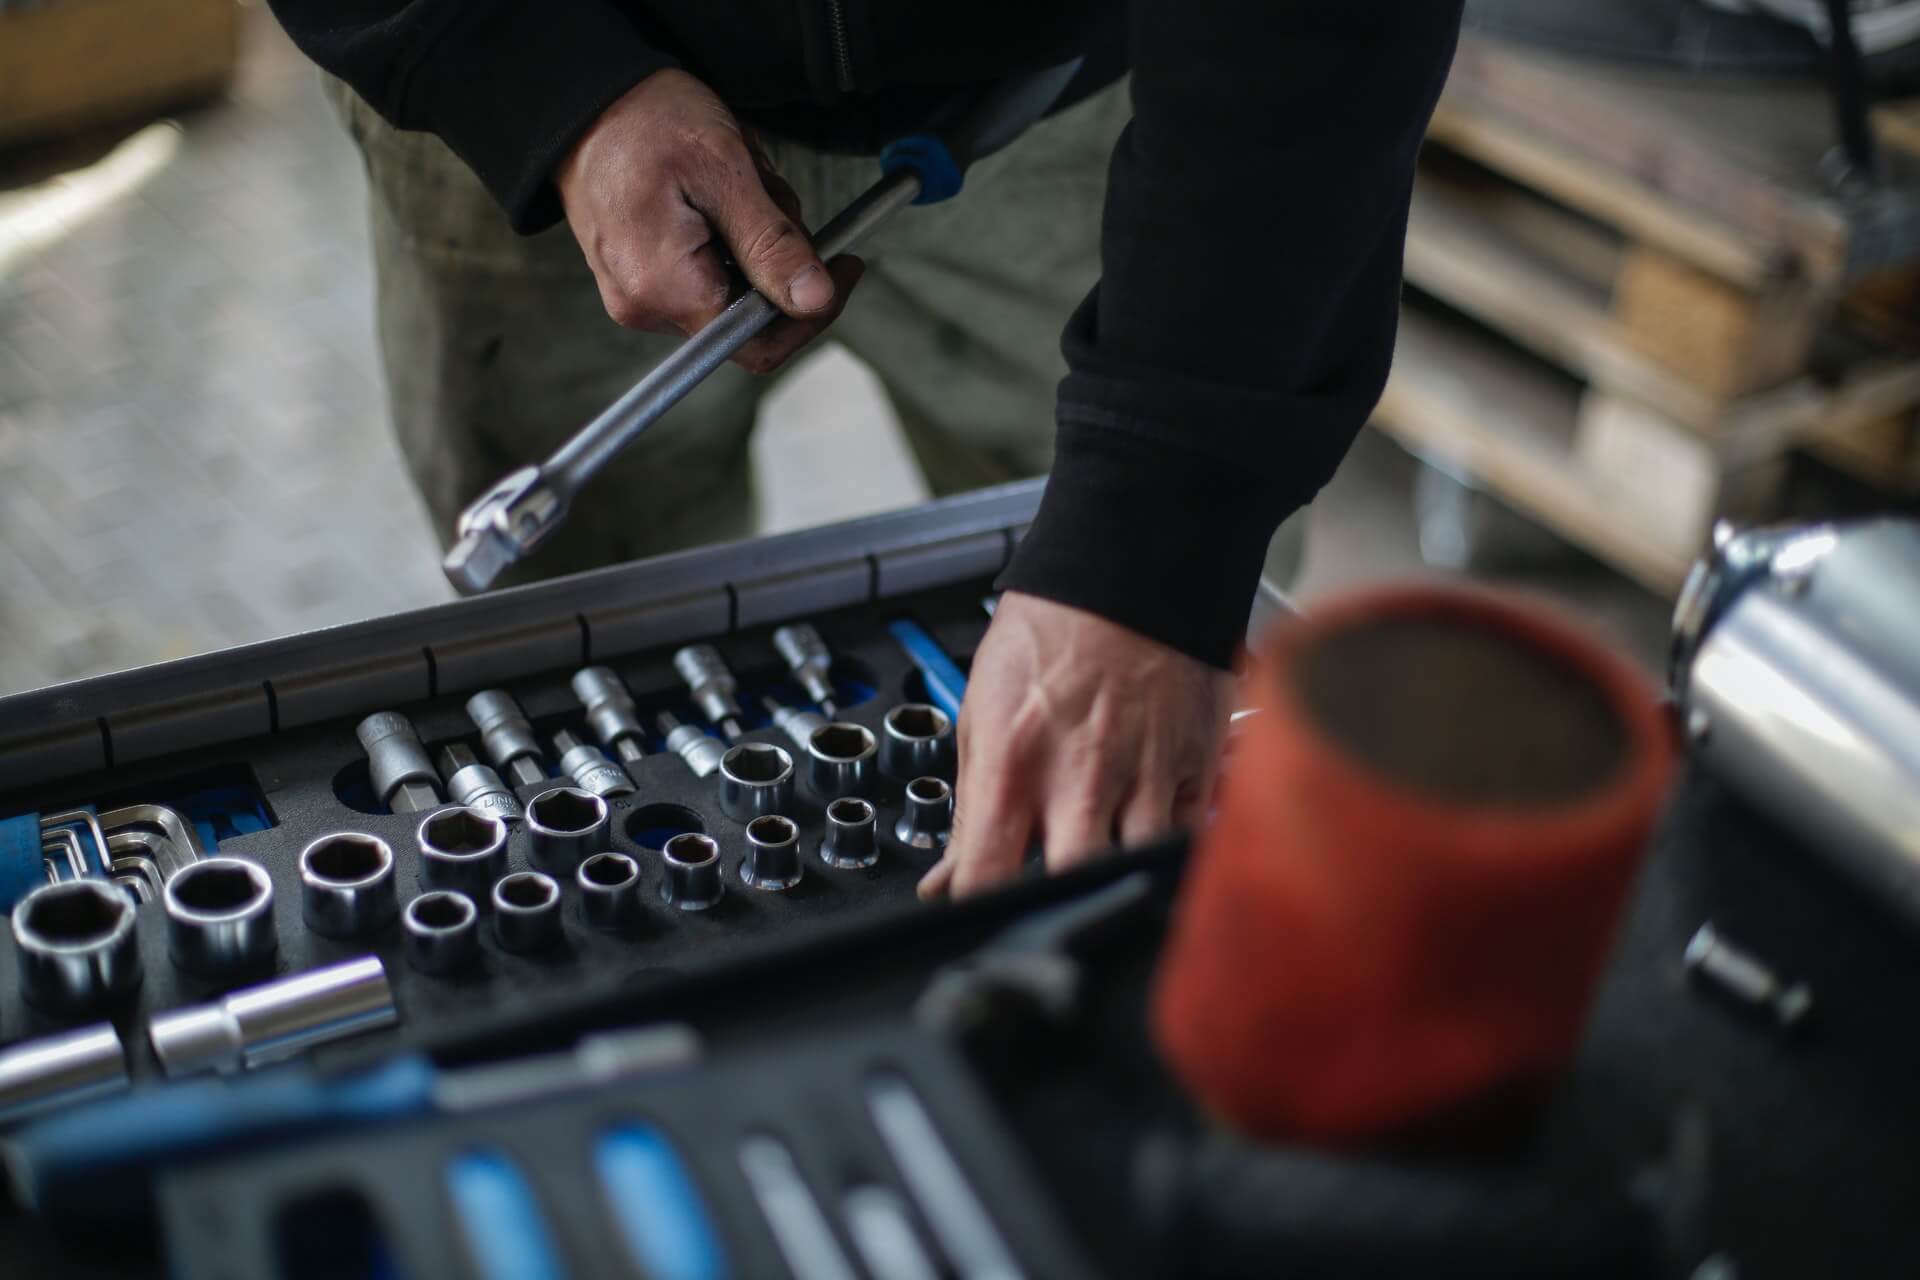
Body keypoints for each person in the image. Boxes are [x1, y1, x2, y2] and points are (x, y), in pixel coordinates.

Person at [263, 0, 1464, 899]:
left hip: (1062, 111)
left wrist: (1159, 521)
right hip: (542, 116)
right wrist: (541, 86)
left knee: (1144, 689)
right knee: (575, 679)